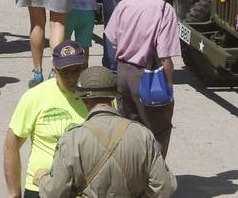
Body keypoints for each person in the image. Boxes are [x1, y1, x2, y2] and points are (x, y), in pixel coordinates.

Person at [35, 66, 177, 198]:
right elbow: (165, 187)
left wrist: (42, 179)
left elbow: (54, 192)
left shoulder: (72, 139)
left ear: (84, 100)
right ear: (113, 97)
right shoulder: (141, 134)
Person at [105, 0, 181, 157]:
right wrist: (169, 90)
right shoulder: (165, 10)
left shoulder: (125, 4)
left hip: (122, 73)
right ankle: (152, 182)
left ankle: (128, 177)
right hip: (147, 77)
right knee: (159, 130)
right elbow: (165, 58)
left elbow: (112, 39)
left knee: (127, 131)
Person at [4, 40, 90, 197]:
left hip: (83, 189)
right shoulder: (35, 96)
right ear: (54, 71)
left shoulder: (97, 97)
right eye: (66, 72)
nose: (72, 78)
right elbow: (12, 143)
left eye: (76, 70)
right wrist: (14, 193)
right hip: (41, 188)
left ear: (85, 67)